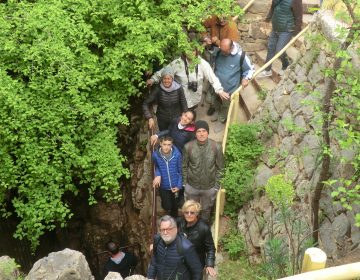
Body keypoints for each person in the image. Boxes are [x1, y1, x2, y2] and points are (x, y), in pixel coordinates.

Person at [146, 52, 228, 110]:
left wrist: (219, 90)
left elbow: (212, 76)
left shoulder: (202, 63)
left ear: (196, 51)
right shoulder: (178, 63)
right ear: (184, 52)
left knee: (191, 113)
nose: (190, 53)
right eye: (188, 50)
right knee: (180, 116)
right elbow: (165, 71)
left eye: (193, 50)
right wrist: (153, 79)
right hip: (180, 97)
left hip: (195, 96)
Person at [182, 120, 224, 222]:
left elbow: (221, 168)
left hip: (209, 188)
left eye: (204, 131)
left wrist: (216, 186)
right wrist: (185, 184)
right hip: (192, 186)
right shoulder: (188, 147)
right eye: (198, 131)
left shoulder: (216, 147)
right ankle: (191, 227)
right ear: (195, 133)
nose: (201, 134)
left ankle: (204, 228)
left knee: (206, 210)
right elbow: (184, 166)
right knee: (191, 210)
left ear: (208, 132)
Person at [212, 38, 255, 123]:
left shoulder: (241, 56)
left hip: (229, 88)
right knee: (215, 100)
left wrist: (245, 78)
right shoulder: (220, 51)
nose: (222, 53)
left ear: (231, 48)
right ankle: (216, 111)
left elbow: (250, 69)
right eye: (221, 50)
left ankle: (221, 120)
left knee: (225, 105)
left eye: (225, 51)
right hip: (217, 85)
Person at [147, 215, 203, 280]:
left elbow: (197, 272)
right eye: (162, 230)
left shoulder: (186, 247)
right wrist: (150, 278)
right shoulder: (157, 240)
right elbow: (154, 263)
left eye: (168, 229)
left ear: (176, 229)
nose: (165, 232)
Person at [259, 0, 303, 77]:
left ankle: (286, 64)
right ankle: (267, 70)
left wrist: (296, 32)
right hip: (276, 27)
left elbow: (299, 16)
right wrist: (268, 19)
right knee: (270, 48)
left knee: (280, 50)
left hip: (287, 30)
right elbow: (273, 7)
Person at [177, 200, 217, 278]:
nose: (189, 215)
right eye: (186, 212)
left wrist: (209, 264)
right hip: (180, 262)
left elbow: (210, 248)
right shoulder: (180, 222)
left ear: (197, 213)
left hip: (196, 264)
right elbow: (167, 229)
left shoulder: (203, 228)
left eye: (192, 213)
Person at [143, 67, 188, 131]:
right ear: (161, 79)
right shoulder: (158, 89)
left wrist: (185, 114)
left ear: (172, 79)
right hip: (162, 119)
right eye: (164, 78)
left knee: (175, 134)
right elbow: (145, 103)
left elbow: (183, 102)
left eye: (169, 79)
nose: (166, 81)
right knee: (164, 136)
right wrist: (149, 118)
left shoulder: (179, 88)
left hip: (176, 117)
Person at [153, 136, 183, 218]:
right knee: (167, 206)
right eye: (164, 144)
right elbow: (156, 166)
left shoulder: (177, 155)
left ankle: (174, 221)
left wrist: (179, 186)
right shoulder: (155, 155)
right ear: (160, 144)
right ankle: (166, 205)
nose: (166, 147)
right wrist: (158, 175)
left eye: (169, 145)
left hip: (175, 185)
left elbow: (181, 171)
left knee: (175, 206)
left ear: (172, 145)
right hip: (163, 186)